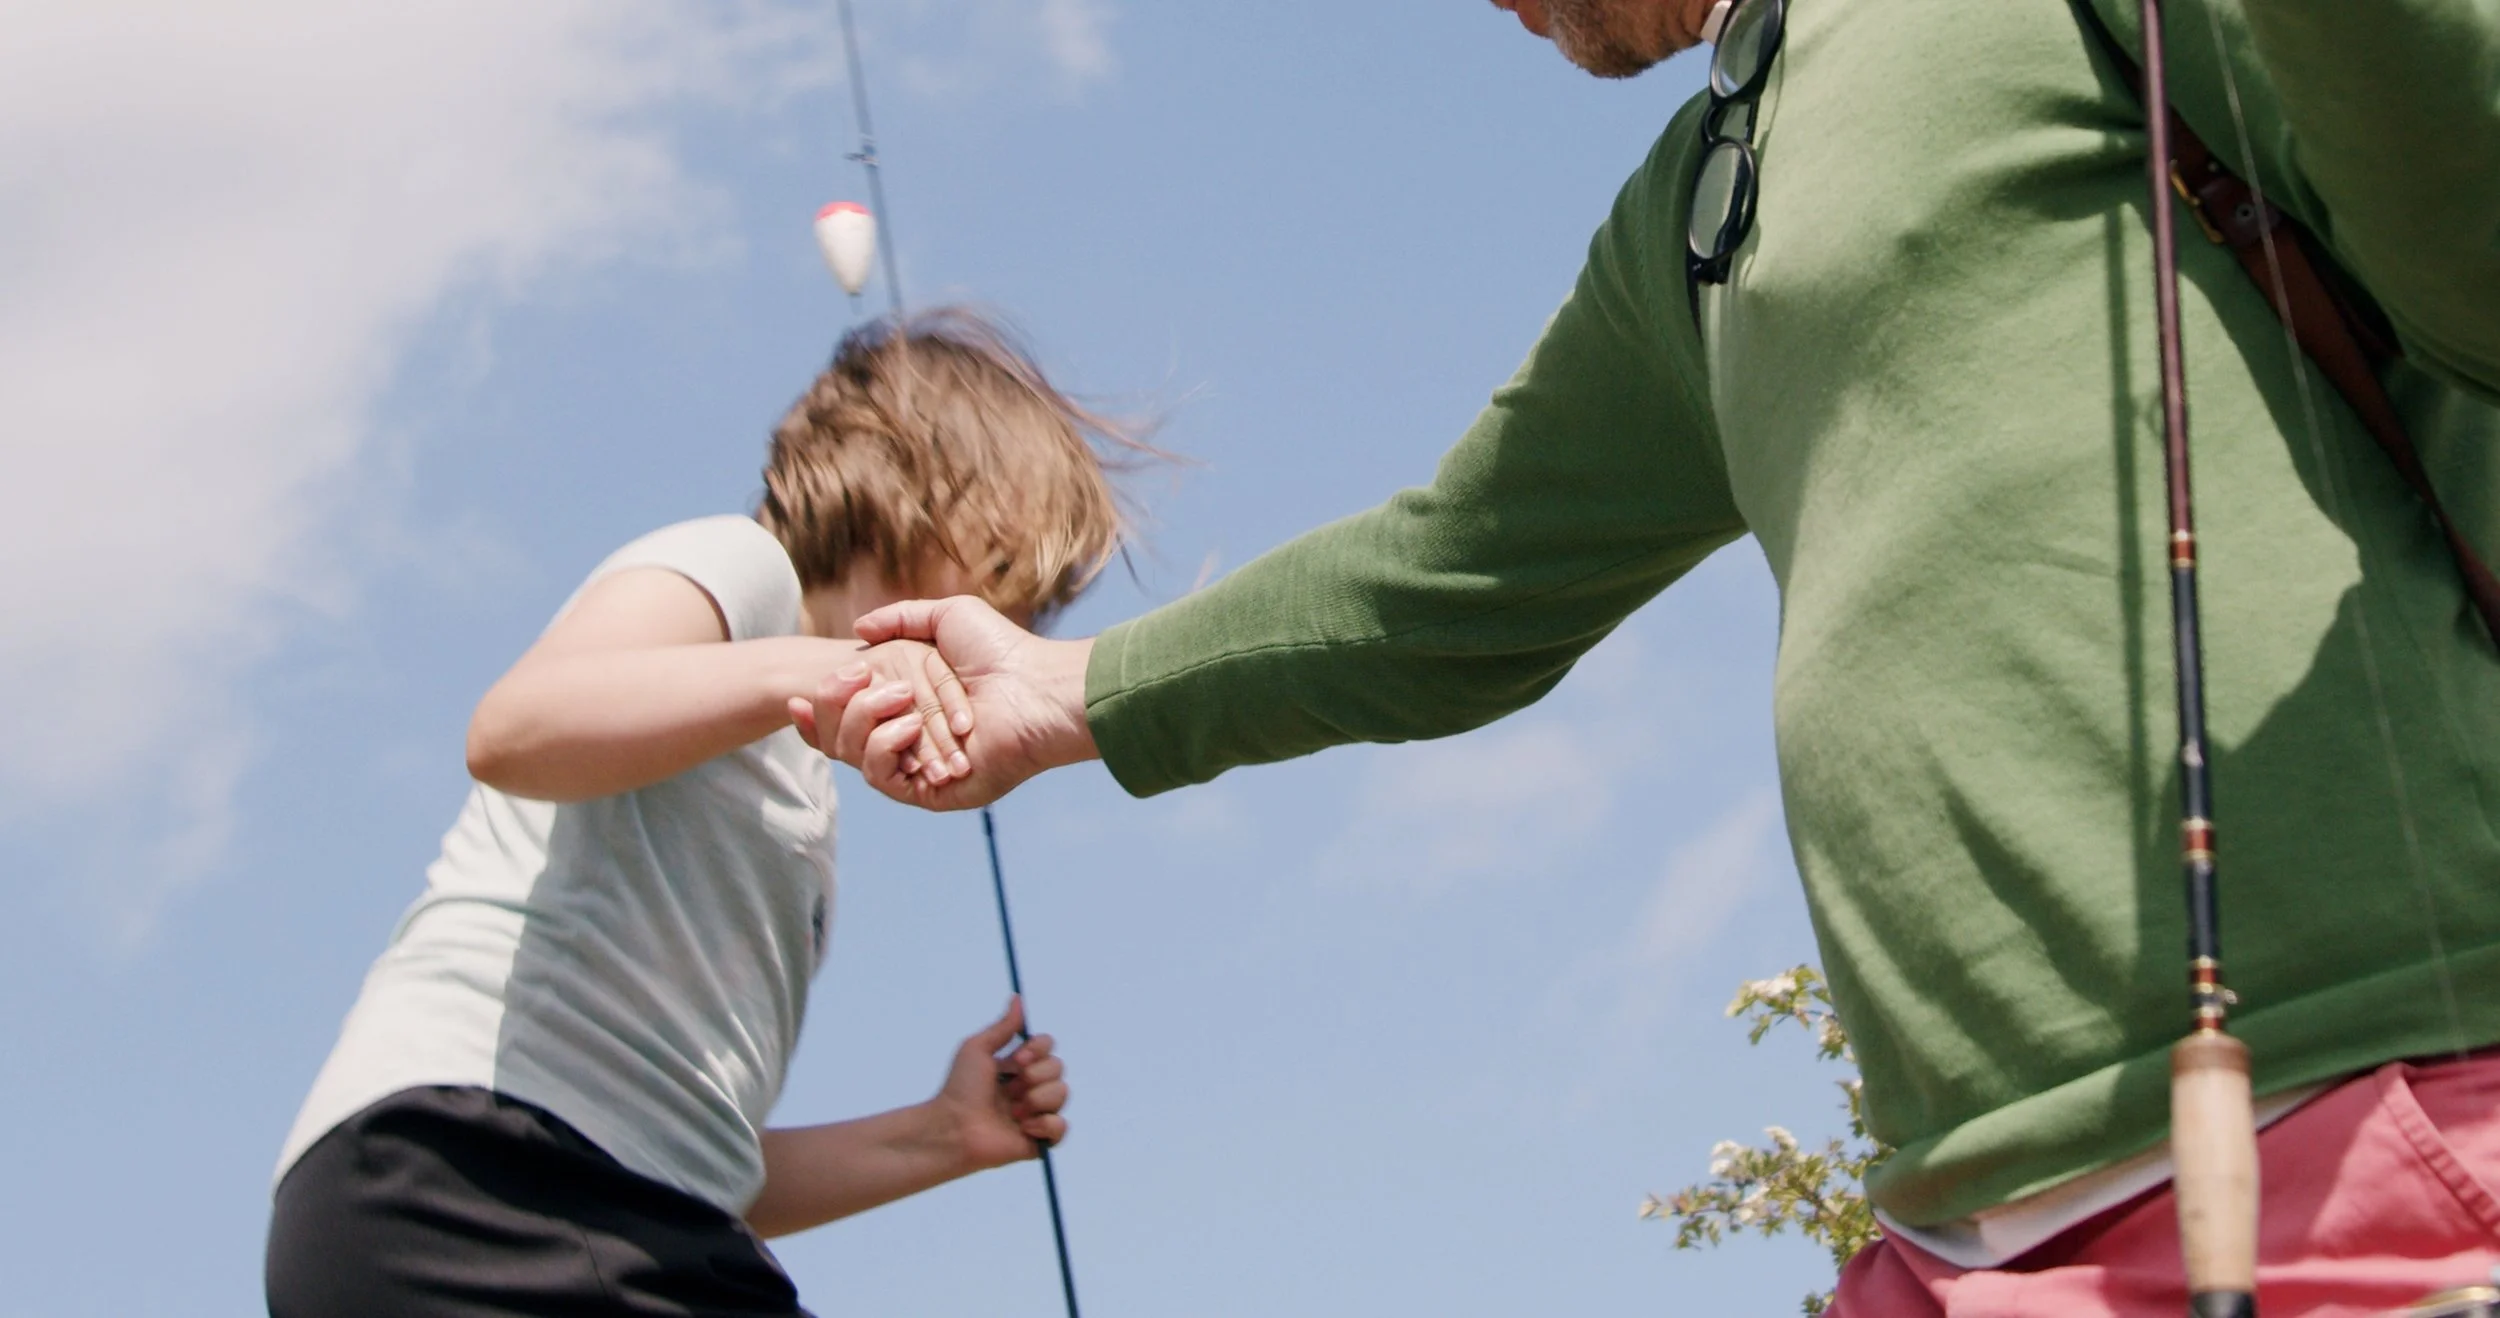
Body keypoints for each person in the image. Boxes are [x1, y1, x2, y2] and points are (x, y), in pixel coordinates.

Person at [800, 1, 2500, 1313]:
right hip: (1956, 1235)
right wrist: (1076, 690)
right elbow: (1452, 575)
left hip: (2375, 1116)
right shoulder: (1694, 203)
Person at [265, 308, 1144, 1318]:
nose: (1013, 631)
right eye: (1010, 581)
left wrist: (942, 1133)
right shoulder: (745, 569)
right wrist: (825, 667)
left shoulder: (796, 796)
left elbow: (697, 1159)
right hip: (477, 1177)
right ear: (918, 494)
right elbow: (515, 727)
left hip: (582, 1210)